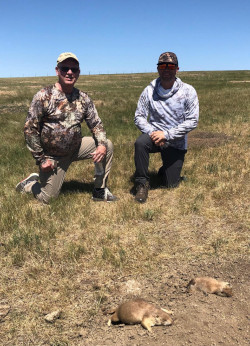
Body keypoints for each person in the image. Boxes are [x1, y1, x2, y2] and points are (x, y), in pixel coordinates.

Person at [16, 52, 117, 203]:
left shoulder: (83, 98)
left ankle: (99, 190)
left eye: (74, 69)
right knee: (47, 199)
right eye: (65, 68)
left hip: (77, 147)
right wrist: (41, 159)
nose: (69, 72)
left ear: (78, 73)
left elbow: (96, 124)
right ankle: (30, 184)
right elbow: (30, 130)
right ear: (57, 71)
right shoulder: (44, 96)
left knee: (107, 145)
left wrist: (101, 145)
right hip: (53, 156)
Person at [133, 52, 199, 203]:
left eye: (171, 66)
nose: (166, 69)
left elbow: (192, 121)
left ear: (177, 69)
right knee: (140, 143)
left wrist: (167, 135)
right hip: (154, 135)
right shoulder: (149, 90)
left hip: (176, 141)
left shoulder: (188, 91)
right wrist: (154, 133)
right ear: (158, 69)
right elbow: (139, 116)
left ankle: (165, 170)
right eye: (163, 66)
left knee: (171, 184)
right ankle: (141, 184)